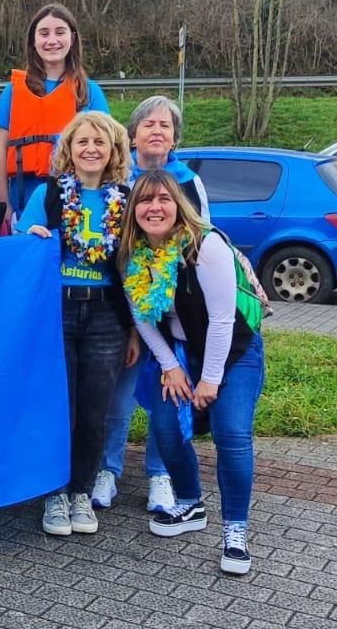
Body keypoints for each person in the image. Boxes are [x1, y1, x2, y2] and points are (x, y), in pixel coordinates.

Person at [118, 169, 267, 576]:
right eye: (145, 201)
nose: (154, 208)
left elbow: (221, 321)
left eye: (164, 199)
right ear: (134, 210)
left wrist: (210, 380)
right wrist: (169, 365)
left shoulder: (205, 245)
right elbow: (142, 316)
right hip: (182, 353)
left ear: (178, 205)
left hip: (233, 352)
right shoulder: (134, 253)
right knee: (165, 426)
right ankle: (190, 502)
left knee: (230, 433)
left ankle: (236, 531)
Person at [16, 111, 135, 537]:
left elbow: (137, 266)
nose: (90, 149)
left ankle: (81, 491)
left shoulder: (126, 196)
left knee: (94, 408)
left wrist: (136, 329)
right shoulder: (48, 193)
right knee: (58, 406)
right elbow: (20, 236)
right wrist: (30, 233)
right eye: (82, 141)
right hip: (57, 310)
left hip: (107, 315)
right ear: (69, 148)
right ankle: (54, 491)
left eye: (99, 142)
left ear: (113, 151)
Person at [93, 95, 212, 513]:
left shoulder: (188, 182)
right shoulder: (117, 179)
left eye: (165, 125)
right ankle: (108, 468)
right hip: (124, 305)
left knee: (168, 391)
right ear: (133, 133)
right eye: (149, 124)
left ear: (175, 136)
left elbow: (203, 239)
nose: (157, 131)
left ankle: (160, 475)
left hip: (173, 312)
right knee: (118, 395)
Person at [0, 3, 110, 215]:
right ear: (34, 41)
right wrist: (4, 205)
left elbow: (108, 149)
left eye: (60, 32)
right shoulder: (13, 91)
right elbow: (0, 148)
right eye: (44, 33)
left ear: (72, 39)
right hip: (24, 203)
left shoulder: (89, 92)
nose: (52, 40)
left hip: (77, 204)